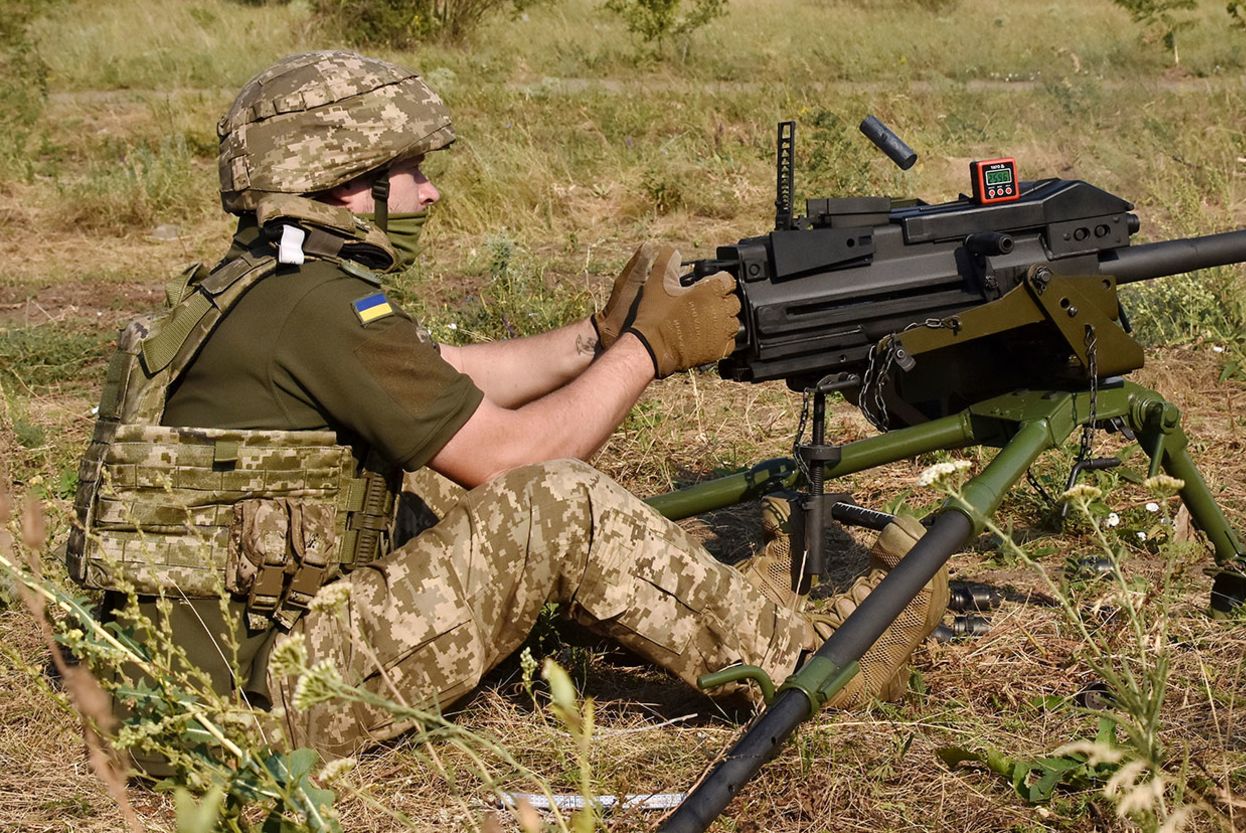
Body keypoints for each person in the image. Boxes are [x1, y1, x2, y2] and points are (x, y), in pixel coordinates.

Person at [66, 50, 947, 764]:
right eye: (406, 170)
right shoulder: (321, 307)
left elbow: (445, 376)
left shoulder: (261, 288)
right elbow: (523, 456)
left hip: (175, 690)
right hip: (255, 710)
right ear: (342, 183)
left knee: (442, 495)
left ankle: (708, 604)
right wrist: (652, 352)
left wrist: (596, 338)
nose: (427, 191)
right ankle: (814, 668)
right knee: (549, 504)